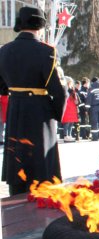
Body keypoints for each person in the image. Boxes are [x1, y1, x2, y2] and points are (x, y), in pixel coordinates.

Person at [0, 6, 67, 195]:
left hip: (15, 110)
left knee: (17, 158)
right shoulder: (46, 51)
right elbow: (59, 92)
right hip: (40, 112)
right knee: (41, 165)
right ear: (40, 25)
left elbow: (1, 86)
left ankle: (17, 196)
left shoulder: (4, 51)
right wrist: (55, 114)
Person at [61, 77, 79, 142]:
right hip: (67, 107)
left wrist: (76, 101)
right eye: (71, 82)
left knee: (71, 122)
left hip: (72, 107)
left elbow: (75, 98)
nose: (72, 83)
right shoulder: (64, 89)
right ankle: (65, 136)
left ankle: (69, 135)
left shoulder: (72, 90)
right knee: (67, 122)